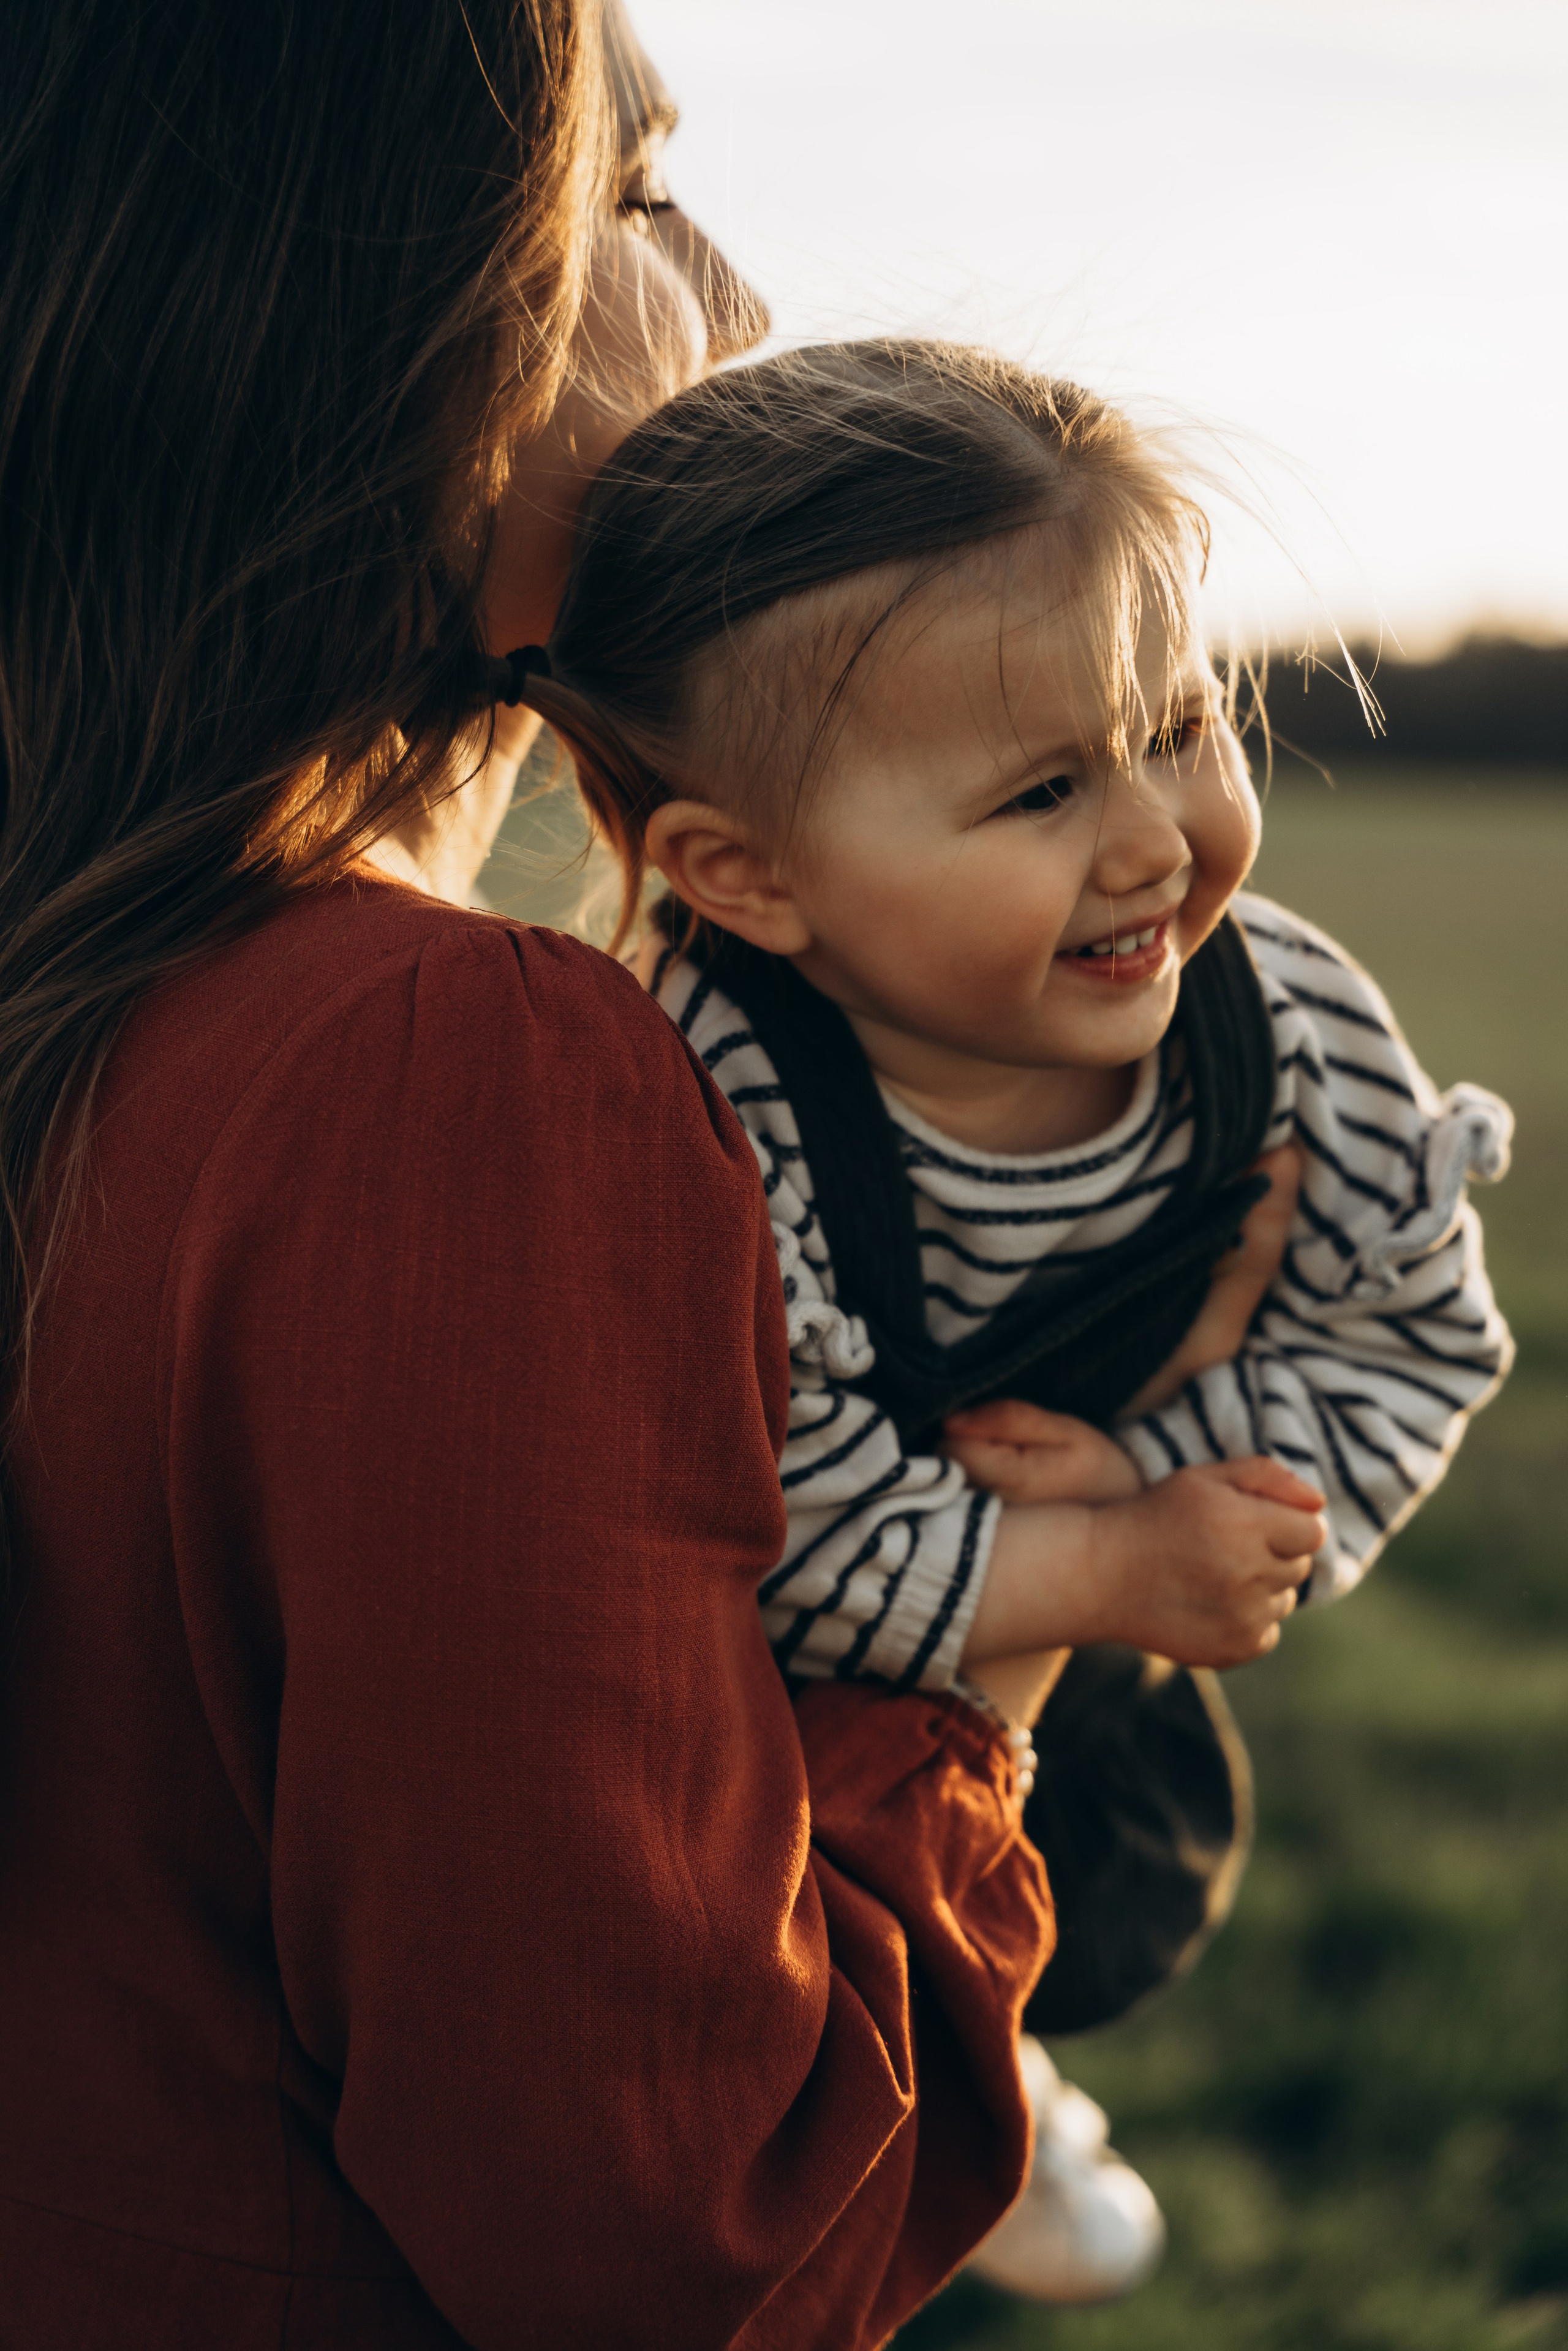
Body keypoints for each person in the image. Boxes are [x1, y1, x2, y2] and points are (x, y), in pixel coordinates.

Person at [0, 13, 1058, 2349]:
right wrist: (992, 1651)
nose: (745, 302)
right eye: (640, 195)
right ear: (391, 298)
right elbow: (687, 2251)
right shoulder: (430, 1068)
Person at [492, 338, 1516, 2302]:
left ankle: (1003, 2055)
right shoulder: (713, 1109)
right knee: (724, 1929)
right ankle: (927, 2089)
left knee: (1111, 1882)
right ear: (747, 877)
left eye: (1182, 724)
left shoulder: (1282, 1025)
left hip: (1085, 1639)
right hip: (761, 1703)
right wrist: (1091, 1553)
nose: (1153, 841)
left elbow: (1416, 1331)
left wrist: (1174, 1503)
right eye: (1043, 789)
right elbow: (780, 1533)